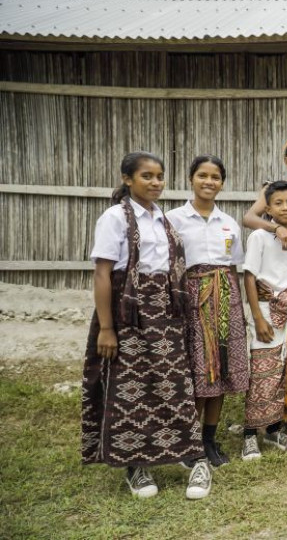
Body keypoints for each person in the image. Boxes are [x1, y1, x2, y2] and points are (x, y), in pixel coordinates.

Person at [83, 151, 210, 500]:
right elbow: (103, 273)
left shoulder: (161, 219)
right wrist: (108, 328)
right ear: (128, 179)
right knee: (131, 389)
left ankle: (191, 455)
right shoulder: (115, 218)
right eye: (147, 176)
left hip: (166, 315)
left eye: (159, 176)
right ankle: (136, 466)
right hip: (128, 315)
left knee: (175, 386)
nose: (155, 183)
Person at [166, 155, 248, 468]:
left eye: (215, 177)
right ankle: (188, 439)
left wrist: (234, 309)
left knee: (222, 369)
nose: (209, 182)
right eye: (203, 175)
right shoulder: (173, 219)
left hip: (226, 301)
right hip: (191, 299)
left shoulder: (229, 222)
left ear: (222, 183)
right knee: (198, 371)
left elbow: (232, 267)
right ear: (191, 179)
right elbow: (170, 266)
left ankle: (208, 439)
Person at [240, 181, 287, 461]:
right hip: (267, 313)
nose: (284, 208)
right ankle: (249, 435)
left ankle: (272, 429)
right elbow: (249, 277)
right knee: (261, 375)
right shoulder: (259, 237)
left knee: (286, 372)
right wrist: (257, 318)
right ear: (267, 208)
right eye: (278, 203)